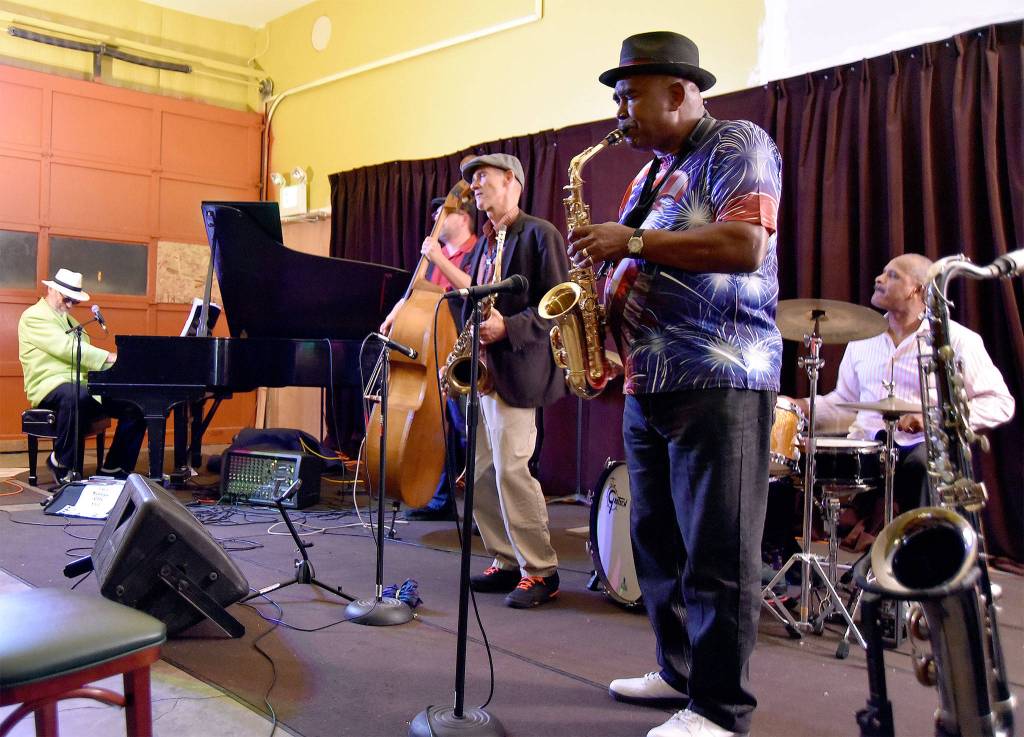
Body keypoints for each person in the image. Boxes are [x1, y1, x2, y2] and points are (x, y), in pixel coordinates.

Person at [567, 33, 783, 737]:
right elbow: (631, 262)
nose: (619, 108)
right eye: (617, 95)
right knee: (656, 540)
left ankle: (721, 709)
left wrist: (629, 243)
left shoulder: (737, 144)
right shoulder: (650, 175)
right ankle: (679, 671)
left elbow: (745, 245)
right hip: (648, 379)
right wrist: (594, 319)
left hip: (720, 375)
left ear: (680, 90)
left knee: (718, 548)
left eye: (630, 94)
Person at [785, 253, 1014, 528]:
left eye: (893, 275)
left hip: (923, 450)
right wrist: (800, 407)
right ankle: (781, 556)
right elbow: (844, 403)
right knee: (790, 455)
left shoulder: (957, 340)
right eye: (882, 272)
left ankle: (921, 560)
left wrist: (932, 417)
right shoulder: (862, 339)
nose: (879, 279)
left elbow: (1000, 402)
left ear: (917, 289)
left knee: (923, 466)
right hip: (869, 451)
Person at [459, 152, 569, 609]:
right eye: (472, 180)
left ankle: (540, 571)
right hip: (487, 372)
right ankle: (506, 560)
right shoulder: (484, 243)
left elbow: (559, 304)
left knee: (510, 469)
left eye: (482, 177)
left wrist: (510, 327)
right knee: (481, 473)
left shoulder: (540, 234)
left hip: (520, 369)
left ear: (512, 181)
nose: (475, 186)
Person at [380, 196, 478, 521]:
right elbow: (419, 293)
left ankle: (483, 511)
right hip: (435, 352)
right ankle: (440, 498)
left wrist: (437, 257)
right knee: (441, 428)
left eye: (443, 214)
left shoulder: (476, 252)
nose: (436, 221)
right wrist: (398, 310)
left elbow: (472, 291)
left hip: (467, 351)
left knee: (469, 430)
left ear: (463, 217)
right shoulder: (435, 260)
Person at [18, 268, 146, 483]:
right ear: (51, 289)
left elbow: (86, 359)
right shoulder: (33, 316)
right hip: (48, 384)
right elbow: (67, 348)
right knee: (75, 395)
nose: (70, 306)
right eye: (67, 300)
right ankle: (62, 463)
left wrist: (121, 373)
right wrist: (112, 358)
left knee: (136, 405)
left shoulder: (72, 322)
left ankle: (115, 468)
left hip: (83, 385)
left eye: (74, 302)